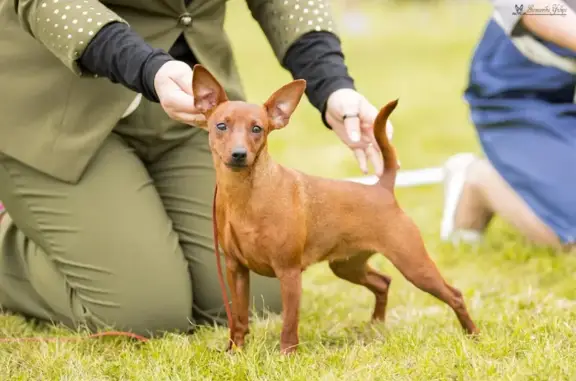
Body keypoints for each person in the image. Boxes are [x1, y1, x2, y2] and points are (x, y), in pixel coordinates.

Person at [0, 0, 393, 335]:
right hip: (55, 105)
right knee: (145, 313)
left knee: (256, 294)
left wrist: (333, 85)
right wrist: (147, 68)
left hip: (189, 104)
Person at [440, 0, 576, 251]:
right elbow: (528, 7)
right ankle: (478, 180)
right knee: (571, 238)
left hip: (568, 96)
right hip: (515, 94)